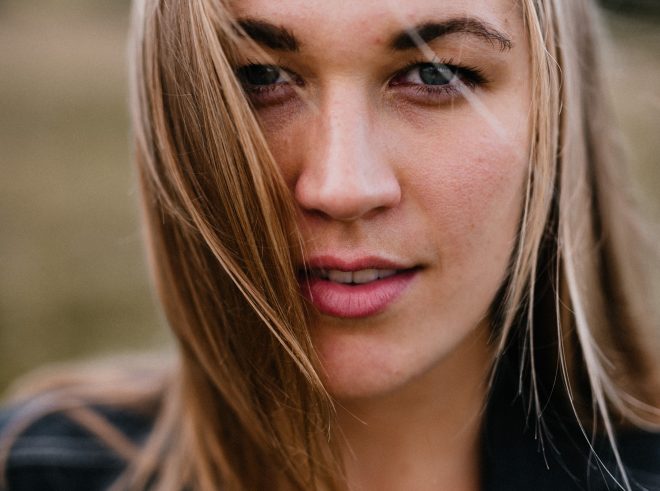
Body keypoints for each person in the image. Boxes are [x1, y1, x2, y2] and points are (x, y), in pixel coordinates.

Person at [1, 0, 659, 489]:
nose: (341, 187)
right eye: (259, 76)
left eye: (434, 75)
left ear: (556, 116)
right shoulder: (34, 468)